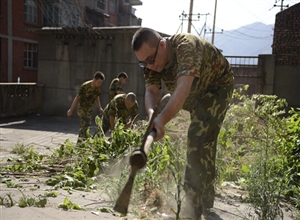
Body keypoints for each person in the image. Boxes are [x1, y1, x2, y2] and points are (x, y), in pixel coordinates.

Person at [132, 27, 234, 220]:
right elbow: (152, 91)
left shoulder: (185, 46)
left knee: (197, 141)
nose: (149, 66)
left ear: (162, 45)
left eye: (150, 60)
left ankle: (191, 210)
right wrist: (153, 115)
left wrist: (162, 120)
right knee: (207, 143)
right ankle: (207, 198)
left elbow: (183, 87)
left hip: (216, 88)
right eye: (143, 63)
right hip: (194, 93)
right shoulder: (151, 61)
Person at [67, 71, 105, 143]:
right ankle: (86, 144)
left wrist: (100, 107)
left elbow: (96, 97)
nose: (99, 84)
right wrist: (71, 109)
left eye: (101, 83)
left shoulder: (97, 88)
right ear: (94, 79)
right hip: (82, 110)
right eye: (98, 82)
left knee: (84, 128)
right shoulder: (85, 86)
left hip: (89, 111)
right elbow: (77, 97)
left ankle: (80, 145)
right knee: (86, 127)